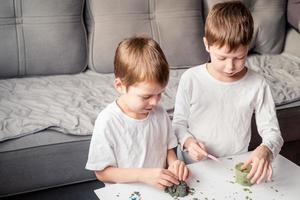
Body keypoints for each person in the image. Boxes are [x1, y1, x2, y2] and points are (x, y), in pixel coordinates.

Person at [172, 1, 283, 185]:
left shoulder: (257, 84)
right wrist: (189, 143)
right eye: (221, 58)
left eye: (239, 57)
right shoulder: (191, 79)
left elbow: (273, 133)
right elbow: (177, 125)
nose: (230, 67)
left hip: (235, 166)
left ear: (248, 46)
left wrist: (265, 150)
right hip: (193, 168)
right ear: (207, 45)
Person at [86, 36, 189, 189]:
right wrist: (143, 175)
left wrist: (174, 163)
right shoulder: (108, 121)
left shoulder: (160, 113)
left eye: (160, 93)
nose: (155, 102)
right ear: (120, 86)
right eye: (146, 96)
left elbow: (169, 147)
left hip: (158, 191)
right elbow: (102, 173)